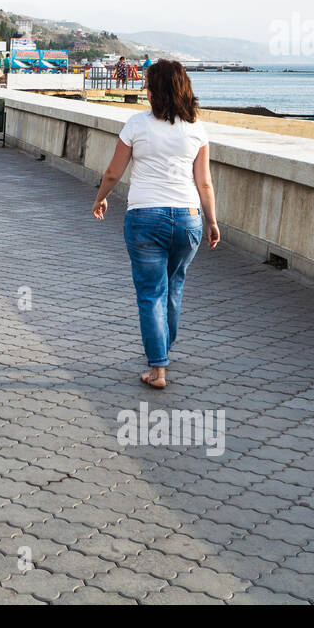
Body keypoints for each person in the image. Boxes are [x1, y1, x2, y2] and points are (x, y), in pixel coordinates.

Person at [91, 59, 218, 390]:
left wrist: (101, 197)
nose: (145, 90)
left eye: (148, 85)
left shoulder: (137, 125)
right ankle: (162, 351)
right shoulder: (197, 129)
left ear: (155, 91)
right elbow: (204, 183)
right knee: (173, 288)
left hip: (145, 217)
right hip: (188, 218)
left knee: (150, 293)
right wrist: (212, 221)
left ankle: (158, 367)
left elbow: (113, 173)